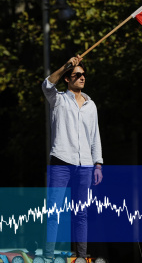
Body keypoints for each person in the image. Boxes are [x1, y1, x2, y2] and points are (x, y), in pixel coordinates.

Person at [42, 55, 103, 259]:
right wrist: (66, 66)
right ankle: (49, 256)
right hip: (61, 162)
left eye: (83, 74)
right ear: (67, 79)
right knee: (54, 211)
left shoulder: (90, 105)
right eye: (77, 75)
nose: (82, 77)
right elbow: (47, 85)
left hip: (84, 165)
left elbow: (95, 136)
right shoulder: (58, 99)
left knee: (81, 214)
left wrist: (98, 164)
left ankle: (81, 256)